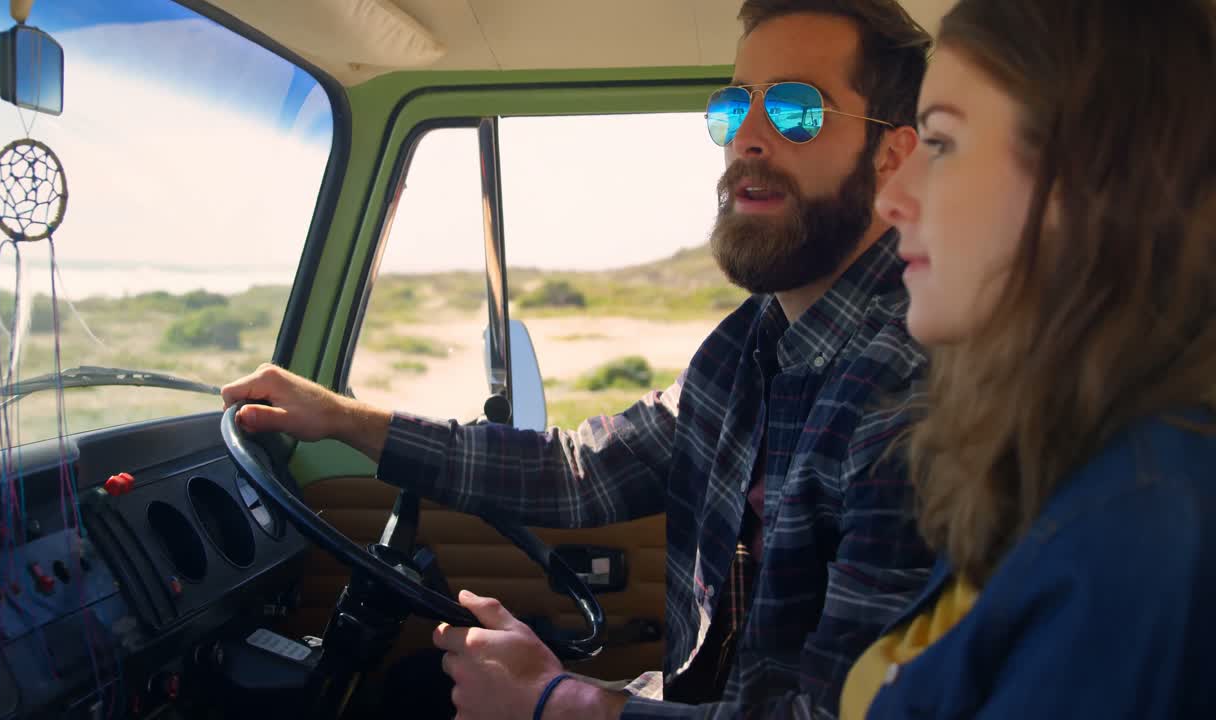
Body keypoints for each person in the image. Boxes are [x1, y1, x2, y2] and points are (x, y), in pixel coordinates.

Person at [223, 1, 935, 717]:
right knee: (419, 687)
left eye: (796, 108)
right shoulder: (749, 343)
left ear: (892, 154)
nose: (747, 136)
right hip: (694, 699)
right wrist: (345, 419)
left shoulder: (908, 393)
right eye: (732, 106)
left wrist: (558, 702)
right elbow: (586, 471)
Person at [839, 0, 1216, 717]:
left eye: (942, 143)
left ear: (1094, 173)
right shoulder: (1051, 450)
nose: (891, 196)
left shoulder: (1140, 529)